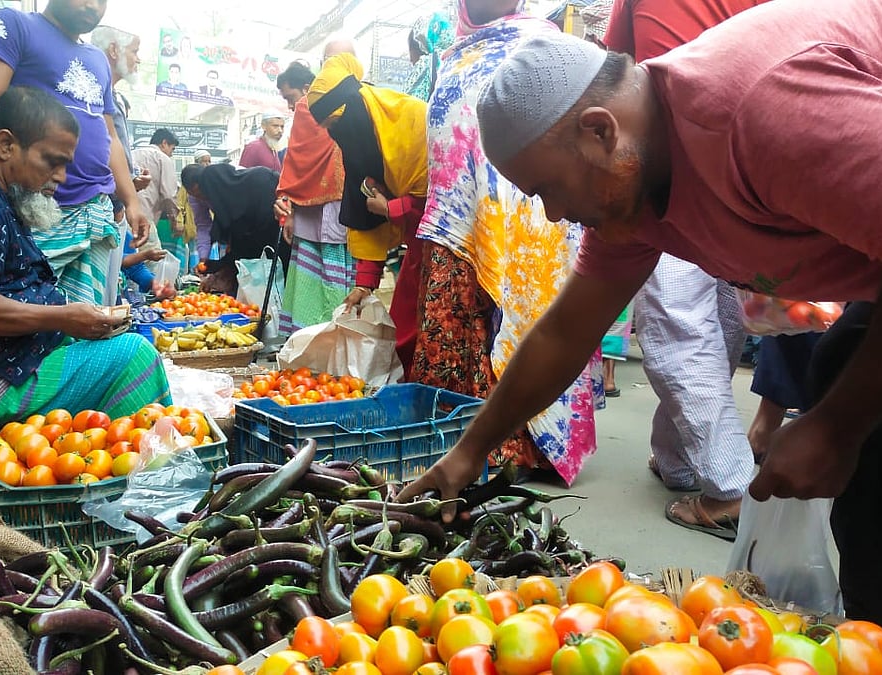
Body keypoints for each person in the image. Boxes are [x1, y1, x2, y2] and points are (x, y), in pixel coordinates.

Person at [406, 0, 882, 655]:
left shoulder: (755, 107)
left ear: (600, 132)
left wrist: (837, 425)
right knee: (845, 373)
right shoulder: (636, 181)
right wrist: (468, 451)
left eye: (547, 189)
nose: (551, 215)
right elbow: (564, 332)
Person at [410, 0, 603, 483]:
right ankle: (463, 444)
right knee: (459, 327)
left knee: (541, 322)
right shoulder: (453, 50)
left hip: (537, 216)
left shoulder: (550, 46)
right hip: (457, 221)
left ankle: (521, 448)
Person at [601, 0, 768, 539]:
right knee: (721, 314)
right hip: (752, 154)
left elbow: (617, 67)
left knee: (679, 322)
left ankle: (730, 490)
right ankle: (676, 458)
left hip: (674, 157)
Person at [0, 87, 170, 427]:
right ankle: (147, 471)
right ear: (6, 145)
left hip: (11, 362)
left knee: (122, 344)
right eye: (53, 162)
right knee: (136, 357)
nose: (61, 177)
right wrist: (62, 318)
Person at [0, 0, 151, 306]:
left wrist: (131, 200)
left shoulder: (97, 59)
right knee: (28, 317)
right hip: (35, 213)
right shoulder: (15, 25)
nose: (94, 6)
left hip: (94, 210)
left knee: (88, 321)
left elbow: (110, 136)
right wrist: (4, 190)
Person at [306, 52, 428, 378]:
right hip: (418, 248)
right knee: (403, 326)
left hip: (450, 244)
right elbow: (364, 215)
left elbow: (446, 196)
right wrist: (364, 283)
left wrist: (393, 208)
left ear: (351, 107)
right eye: (330, 129)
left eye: (335, 125)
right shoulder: (359, 142)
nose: (337, 135)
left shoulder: (415, 121)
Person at [271, 59, 355, 334]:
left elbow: (295, 161)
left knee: (316, 273)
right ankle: (334, 335)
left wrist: (289, 202)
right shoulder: (347, 105)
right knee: (332, 272)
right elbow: (298, 159)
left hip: (326, 207)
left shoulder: (308, 107)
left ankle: (315, 336)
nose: (290, 106)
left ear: (308, 88)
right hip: (331, 204)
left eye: (291, 98)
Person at [91, 23, 151, 303]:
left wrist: (129, 183)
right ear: (114, 50)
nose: (138, 59)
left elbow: (113, 147)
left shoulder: (115, 99)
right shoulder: (90, 96)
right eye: (135, 51)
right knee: (97, 298)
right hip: (97, 208)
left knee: (108, 294)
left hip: (115, 207)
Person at [180, 163, 290, 296]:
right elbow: (205, 225)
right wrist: (208, 261)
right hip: (263, 236)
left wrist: (224, 264)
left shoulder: (249, 187)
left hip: (277, 231)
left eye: (202, 194)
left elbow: (248, 244)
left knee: (280, 280)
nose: (203, 199)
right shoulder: (227, 197)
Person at [132, 128, 181, 253]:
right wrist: (175, 220)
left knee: (128, 261)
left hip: (125, 216)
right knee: (152, 261)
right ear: (164, 143)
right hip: (145, 219)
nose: (171, 153)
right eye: (172, 149)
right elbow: (169, 195)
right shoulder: (163, 158)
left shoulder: (131, 154)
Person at [403, 12, 452, 101]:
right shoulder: (457, 60)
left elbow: (407, 106)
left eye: (410, 52)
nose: (410, 59)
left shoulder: (424, 66)